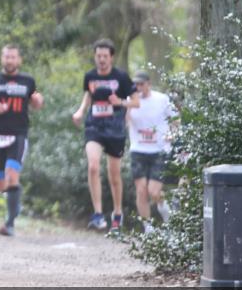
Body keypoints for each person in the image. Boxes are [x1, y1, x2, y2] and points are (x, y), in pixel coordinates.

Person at [0, 44, 44, 236]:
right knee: (0, 183)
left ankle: (10, 223)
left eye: (13, 57)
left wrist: (38, 100)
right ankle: (15, 206)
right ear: (1, 59)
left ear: (19, 60)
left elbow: (37, 100)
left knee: (12, 175)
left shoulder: (27, 80)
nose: (9, 60)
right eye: (6, 57)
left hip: (18, 134)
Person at [71, 39, 139, 231]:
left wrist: (120, 102)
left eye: (105, 56)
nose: (101, 59)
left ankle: (117, 213)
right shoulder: (90, 76)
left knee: (114, 175)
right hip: (94, 126)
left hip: (115, 129)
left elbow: (136, 102)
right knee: (93, 166)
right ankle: (98, 214)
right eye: (98, 56)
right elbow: (88, 96)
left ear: (111, 57)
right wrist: (80, 111)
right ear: (95, 56)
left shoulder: (121, 77)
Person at [127, 71, 179, 233]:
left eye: (142, 84)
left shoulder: (162, 99)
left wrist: (174, 134)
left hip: (159, 150)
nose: (139, 87)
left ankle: (166, 213)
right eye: (136, 85)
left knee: (154, 192)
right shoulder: (130, 101)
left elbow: (176, 119)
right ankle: (148, 228)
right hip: (138, 149)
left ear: (149, 84)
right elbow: (123, 122)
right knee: (141, 190)